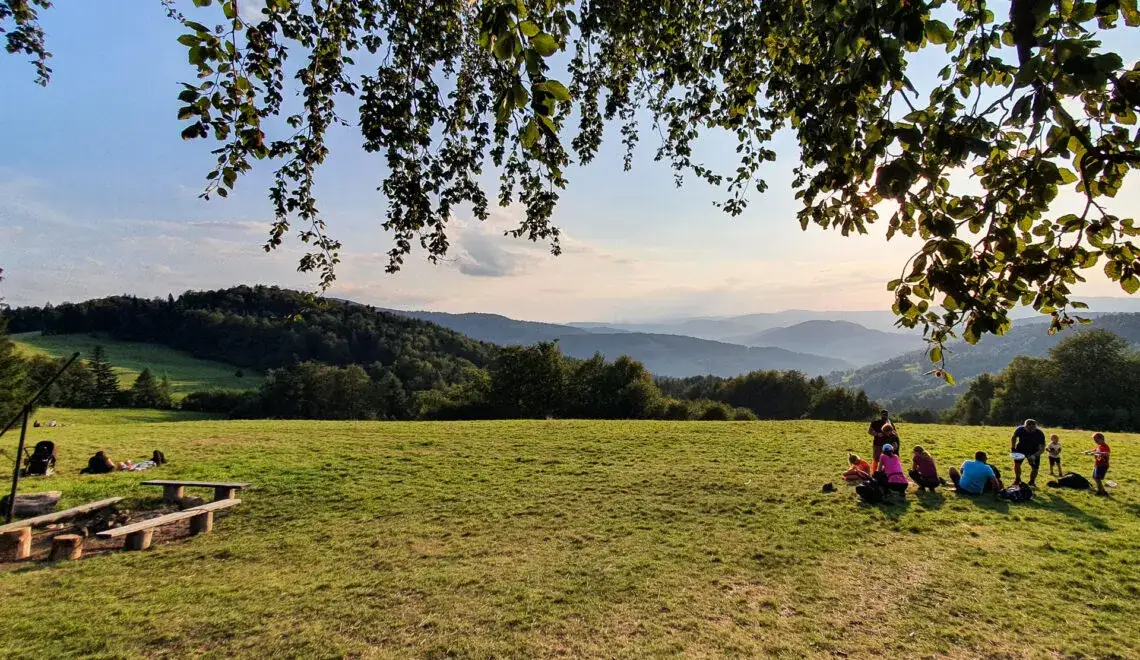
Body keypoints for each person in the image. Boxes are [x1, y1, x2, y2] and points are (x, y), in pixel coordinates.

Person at [1010, 418, 1046, 487]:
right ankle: (1017, 479)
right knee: (1017, 464)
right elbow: (1014, 438)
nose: (1030, 431)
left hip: (1034, 451)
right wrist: (1013, 448)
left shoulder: (1040, 433)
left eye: (1032, 429)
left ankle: (1032, 482)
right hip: (1020, 449)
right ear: (1025, 426)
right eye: (1028, 429)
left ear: (1035, 427)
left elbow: (1042, 448)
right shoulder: (1020, 429)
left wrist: (1035, 455)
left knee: (1035, 468)